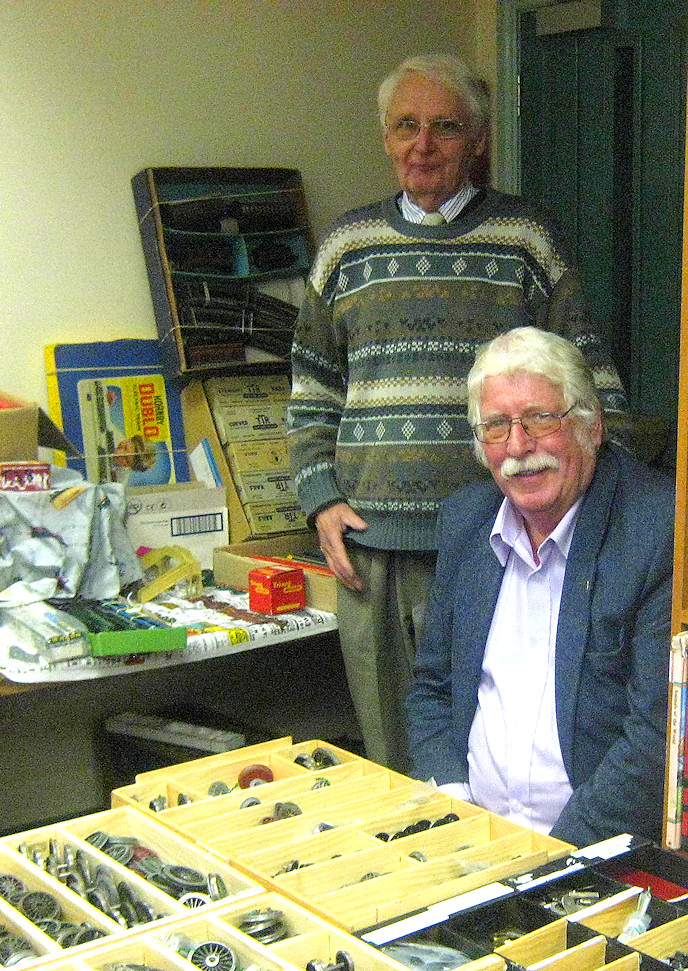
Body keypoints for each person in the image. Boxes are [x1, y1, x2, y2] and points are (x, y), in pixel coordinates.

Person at [287, 52, 627, 774]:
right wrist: (320, 498)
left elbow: (589, 377)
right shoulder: (346, 246)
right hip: (371, 547)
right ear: (385, 138)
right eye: (405, 126)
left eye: (444, 127)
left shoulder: (526, 239)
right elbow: (312, 383)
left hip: (497, 541)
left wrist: (609, 512)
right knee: (389, 756)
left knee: (496, 746)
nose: (423, 145)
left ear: (476, 139)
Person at [405, 326, 673, 847]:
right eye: (496, 426)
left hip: (595, 848)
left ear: (592, 425)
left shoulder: (659, 529)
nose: (518, 446)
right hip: (474, 837)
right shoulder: (466, 522)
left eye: (540, 419)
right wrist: (455, 812)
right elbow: (433, 687)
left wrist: (555, 861)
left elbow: (658, 735)